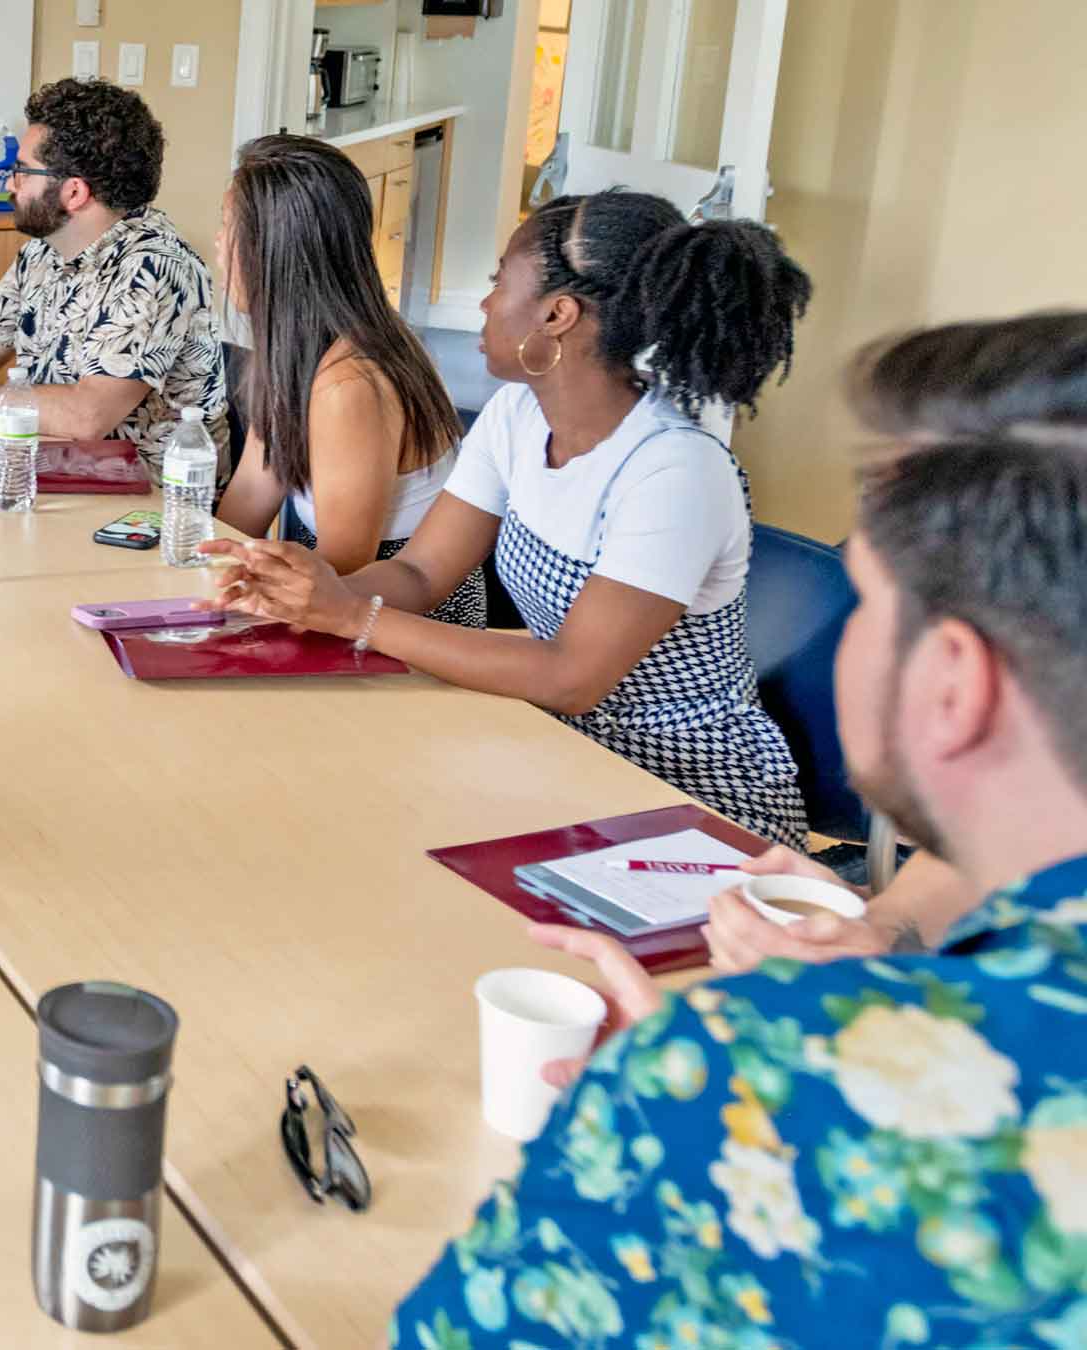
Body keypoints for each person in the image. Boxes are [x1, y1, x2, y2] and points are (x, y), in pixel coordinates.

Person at [397, 312, 1087, 1348]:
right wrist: (891, 934)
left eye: (866, 604)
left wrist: (681, 1076)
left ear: (953, 682)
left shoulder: (765, 1079)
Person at [202, 191, 813, 846]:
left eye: (499, 282)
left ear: (557, 314)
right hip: (556, 747)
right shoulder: (517, 417)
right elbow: (420, 570)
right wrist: (305, 591)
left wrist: (352, 616)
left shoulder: (675, 473)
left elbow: (571, 676)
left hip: (688, 793)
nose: (487, 304)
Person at [0, 78, 226, 468]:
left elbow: (87, 416)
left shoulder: (156, 267)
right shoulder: (45, 249)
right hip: (54, 468)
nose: (10, 183)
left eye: (22, 171)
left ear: (74, 193)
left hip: (148, 505)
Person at [211, 134, 481, 626]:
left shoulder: (349, 384)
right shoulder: (295, 349)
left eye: (228, 228)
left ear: (274, 252)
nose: (217, 245)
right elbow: (252, 492)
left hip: (402, 620)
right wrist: (188, 565)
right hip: (329, 593)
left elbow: (345, 569)